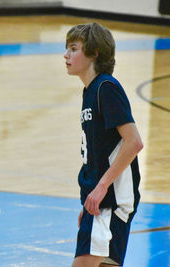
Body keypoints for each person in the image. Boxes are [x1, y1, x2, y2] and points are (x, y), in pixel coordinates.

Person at [64, 23, 143, 267]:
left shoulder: (105, 88)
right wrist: (90, 198)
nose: (66, 55)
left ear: (94, 53)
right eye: (67, 48)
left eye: (74, 49)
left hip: (110, 201)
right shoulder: (90, 91)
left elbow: (134, 142)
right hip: (103, 202)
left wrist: (99, 189)